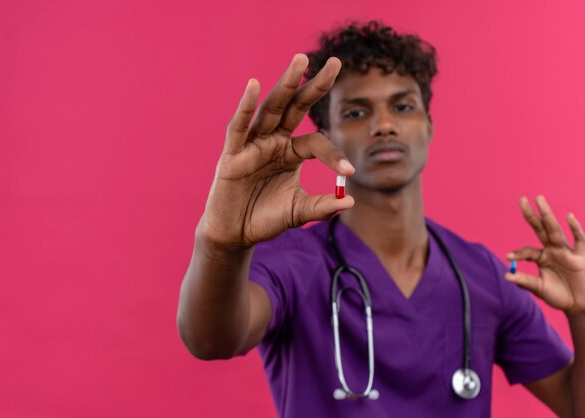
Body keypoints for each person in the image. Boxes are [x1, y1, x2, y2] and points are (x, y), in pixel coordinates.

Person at [177, 21, 584, 418]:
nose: (384, 125)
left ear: (428, 124)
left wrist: (582, 314)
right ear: (326, 136)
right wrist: (221, 244)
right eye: (355, 112)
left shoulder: (485, 277)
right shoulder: (292, 263)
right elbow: (212, 340)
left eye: (403, 106)